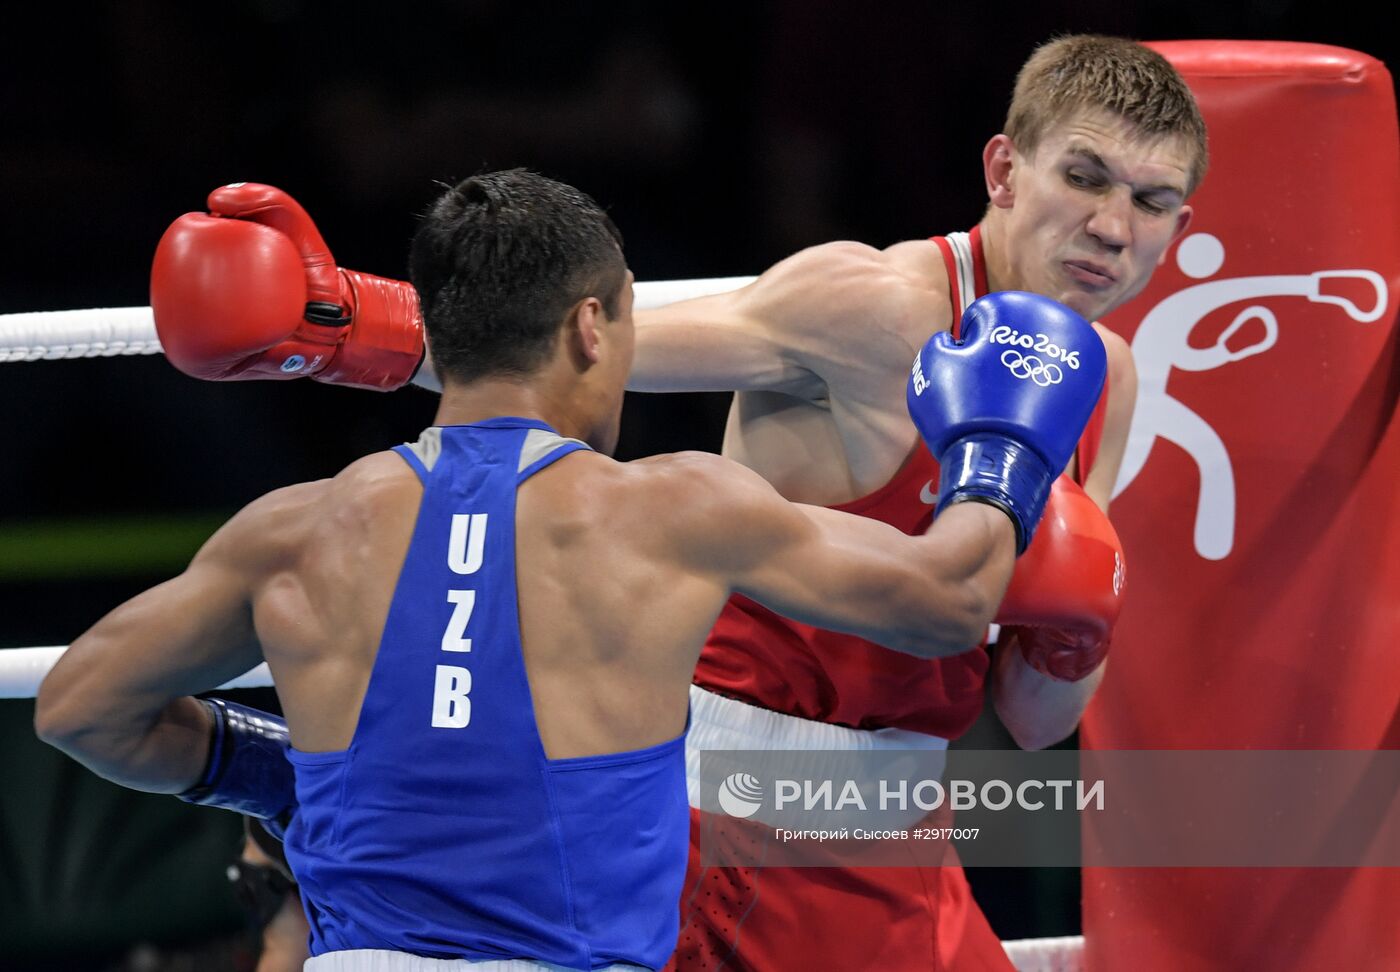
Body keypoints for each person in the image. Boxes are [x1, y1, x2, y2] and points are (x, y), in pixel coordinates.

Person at [144, 34, 1201, 971]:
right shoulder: (873, 306)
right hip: (728, 818)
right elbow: (574, 349)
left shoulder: (1110, 380)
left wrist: (1072, 631)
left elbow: (1025, 718)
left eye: (1149, 202)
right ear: (1003, 172)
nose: (1111, 226)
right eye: (1084, 177)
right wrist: (339, 324)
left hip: (897, 826)